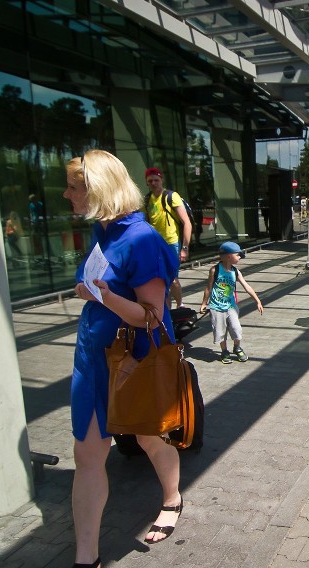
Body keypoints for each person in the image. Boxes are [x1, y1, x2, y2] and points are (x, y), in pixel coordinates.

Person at [64, 150, 183, 567]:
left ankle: (172, 498)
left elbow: (151, 319)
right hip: (93, 361)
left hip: (132, 361)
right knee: (87, 455)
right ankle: (86, 557)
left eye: (74, 187)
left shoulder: (141, 238)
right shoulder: (103, 230)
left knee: (149, 438)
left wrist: (105, 296)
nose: (67, 194)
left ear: (99, 189)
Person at [199, 241, 263, 363]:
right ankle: (224, 351)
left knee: (236, 328)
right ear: (229, 256)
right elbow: (208, 287)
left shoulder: (236, 272)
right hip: (216, 307)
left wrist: (257, 300)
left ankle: (237, 347)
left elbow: (246, 286)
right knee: (220, 330)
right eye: (238, 255)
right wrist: (204, 303)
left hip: (231, 307)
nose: (240, 257)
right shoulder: (215, 270)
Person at [144, 167, 192, 309]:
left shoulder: (171, 196)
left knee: (171, 278)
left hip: (171, 244)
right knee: (161, 279)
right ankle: (167, 310)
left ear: (162, 180)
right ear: (146, 183)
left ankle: (180, 305)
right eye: (150, 181)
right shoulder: (147, 200)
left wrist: (184, 248)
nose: (153, 183)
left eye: (156, 180)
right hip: (155, 245)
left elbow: (187, 223)